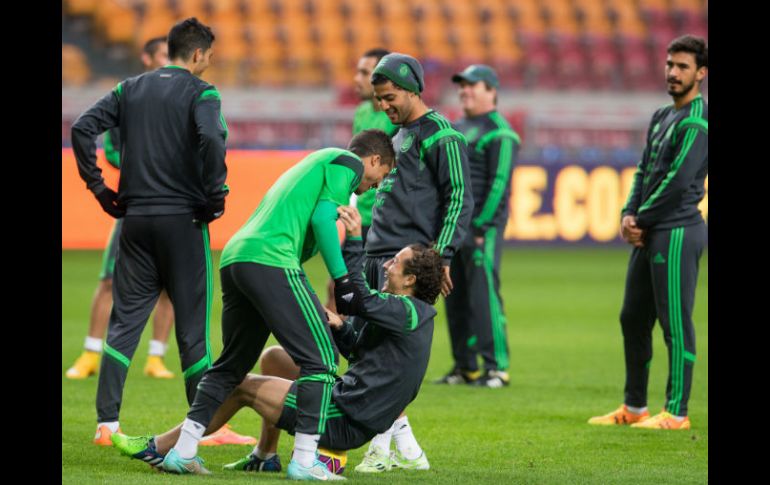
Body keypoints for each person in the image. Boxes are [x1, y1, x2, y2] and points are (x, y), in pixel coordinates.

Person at [111, 206, 444, 482]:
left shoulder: (408, 311)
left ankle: (160, 445)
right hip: (350, 405)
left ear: (411, 280)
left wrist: (354, 240)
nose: (386, 266)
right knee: (273, 358)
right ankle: (264, 455)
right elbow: (357, 351)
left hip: (342, 416)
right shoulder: (408, 313)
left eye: (394, 263)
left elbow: (358, 297)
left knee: (240, 385)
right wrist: (341, 326)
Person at [136, 130, 395, 480]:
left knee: (231, 366)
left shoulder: (309, 168)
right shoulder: (346, 162)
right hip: (271, 260)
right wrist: (344, 279)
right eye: (381, 177)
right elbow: (322, 221)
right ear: (375, 160)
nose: (376, 187)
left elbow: (307, 229)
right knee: (321, 360)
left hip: (237, 257)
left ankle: (182, 451)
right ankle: (304, 461)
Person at [71, 17, 234, 446]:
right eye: (209, 57)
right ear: (197, 54)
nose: (210, 64)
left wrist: (99, 188)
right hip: (184, 219)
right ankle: (200, 430)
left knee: (124, 322)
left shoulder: (130, 88)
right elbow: (213, 139)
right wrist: (215, 196)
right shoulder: (203, 92)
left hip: (135, 219)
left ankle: (107, 425)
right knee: (192, 330)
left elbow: (81, 127)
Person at [347, 52, 474, 472]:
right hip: (376, 253)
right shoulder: (398, 136)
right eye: (379, 99)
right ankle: (406, 446)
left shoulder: (442, 135)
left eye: (388, 98)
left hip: (403, 263)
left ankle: (380, 450)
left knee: (381, 362)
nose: (383, 106)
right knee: (367, 355)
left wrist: (441, 257)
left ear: (411, 89)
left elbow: (459, 197)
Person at [588, 35, 708, 430]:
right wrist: (627, 212)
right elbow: (644, 169)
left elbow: (678, 182)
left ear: (701, 74)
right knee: (632, 318)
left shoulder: (696, 121)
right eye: (670, 64)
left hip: (675, 231)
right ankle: (635, 407)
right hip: (651, 228)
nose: (673, 72)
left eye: (683, 67)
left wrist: (641, 219)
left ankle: (676, 412)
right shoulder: (662, 116)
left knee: (674, 322)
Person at [66, 36, 177, 384]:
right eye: (162, 55)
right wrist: (144, 167)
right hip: (137, 202)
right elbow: (110, 148)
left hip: (172, 204)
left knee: (169, 284)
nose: (166, 61)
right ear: (146, 58)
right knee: (110, 280)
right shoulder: (127, 96)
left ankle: (156, 357)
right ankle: (89, 353)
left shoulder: (183, 98)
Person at [438, 65, 521, 388]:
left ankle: (497, 367)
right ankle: (465, 365)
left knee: (484, 296)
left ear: (492, 91)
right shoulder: (460, 126)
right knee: (454, 296)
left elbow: (499, 183)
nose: (465, 91)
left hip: (480, 231)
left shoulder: (501, 132)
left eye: (473, 85)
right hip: (455, 228)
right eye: (462, 86)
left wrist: (481, 225)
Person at [324, 47, 397, 313]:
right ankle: (327, 352)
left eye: (365, 72)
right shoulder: (362, 113)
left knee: (366, 294)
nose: (356, 78)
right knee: (335, 288)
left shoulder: (395, 119)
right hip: (358, 218)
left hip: (382, 224)